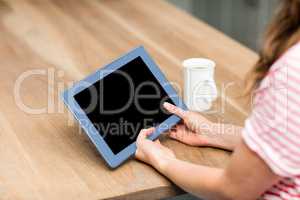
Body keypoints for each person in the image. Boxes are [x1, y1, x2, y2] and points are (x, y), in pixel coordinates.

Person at [135, 0, 300, 199]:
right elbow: (288, 139)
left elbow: (233, 189)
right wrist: (213, 133)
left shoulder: (292, 71)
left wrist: (163, 160)